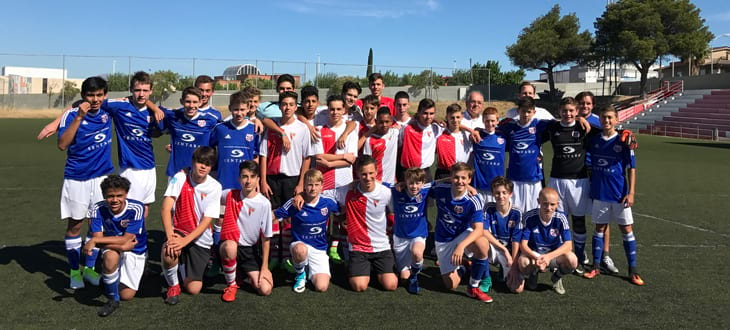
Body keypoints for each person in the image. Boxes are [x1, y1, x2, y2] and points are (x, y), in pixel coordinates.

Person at [57, 76, 114, 290]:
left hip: (102, 178)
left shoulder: (108, 112)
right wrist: (79, 117)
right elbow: (62, 145)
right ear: (83, 96)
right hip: (77, 178)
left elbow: (134, 99)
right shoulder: (71, 115)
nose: (95, 99)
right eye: (91, 95)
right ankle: (74, 272)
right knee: (75, 225)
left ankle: (90, 269)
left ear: (105, 95)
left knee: (97, 225)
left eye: (99, 95)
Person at [583, 106, 644, 286]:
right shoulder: (594, 141)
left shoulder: (624, 141)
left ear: (617, 120)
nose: (606, 121)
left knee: (626, 230)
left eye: (610, 118)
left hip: (620, 195)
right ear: (599, 119)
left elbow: (631, 169)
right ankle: (595, 266)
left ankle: (633, 271)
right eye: (603, 117)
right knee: (599, 229)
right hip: (600, 193)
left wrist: (631, 192)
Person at [259, 91, 316, 268]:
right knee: (274, 216)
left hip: (292, 179)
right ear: (279, 106)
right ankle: (275, 255)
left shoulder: (302, 128)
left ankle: (287, 256)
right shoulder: (272, 127)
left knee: (290, 218)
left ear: (296, 106)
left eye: (291, 104)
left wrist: (301, 183)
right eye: (284, 104)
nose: (287, 108)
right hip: (273, 178)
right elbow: (263, 155)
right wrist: (263, 181)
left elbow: (307, 157)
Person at [207, 90, 260, 277]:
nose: (239, 113)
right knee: (220, 221)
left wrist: (256, 183)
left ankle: (241, 259)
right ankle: (216, 258)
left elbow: (255, 158)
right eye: (235, 109)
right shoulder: (220, 129)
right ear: (230, 109)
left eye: (242, 109)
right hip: (223, 185)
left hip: (243, 187)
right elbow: (208, 148)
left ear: (249, 109)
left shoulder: (253, 129)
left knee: (243, 223)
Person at [160, 147, 222, 305]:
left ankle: (182, 265)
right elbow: (166, 208)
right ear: (193, 162)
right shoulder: (180, 177)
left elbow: (207, 221)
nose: (203, 166)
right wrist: (170, 237)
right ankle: (173, 286)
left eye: (207, 164)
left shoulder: (215, 186)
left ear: (211, 167)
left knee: (194, 289)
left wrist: (185, 242)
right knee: (169, 250)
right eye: (200, 162)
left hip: (200, 238)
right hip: (179, 232)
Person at [84, 175, 147, 317]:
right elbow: (99, 239)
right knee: (111, 257)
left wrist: (95, 241)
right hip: (116, 247)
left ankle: (104, 279)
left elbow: (127, 238)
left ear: (126, 194)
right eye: (110, 196)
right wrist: (121, 247)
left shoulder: (136, 207)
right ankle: (113, 300)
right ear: (104, 195)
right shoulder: (97, 209)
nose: (114, 200)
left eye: (119, 195)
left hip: (135, 250)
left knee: (127, 295)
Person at [430, 162, 493, 302]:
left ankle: (473, 287)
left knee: (483, 245)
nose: (460, 181)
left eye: (464, 178)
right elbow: (423, 186)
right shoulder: (441, 188)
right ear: (450, 178)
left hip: (462, 234)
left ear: (469, 179)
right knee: (451, 285)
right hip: (443, 238)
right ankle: (464, 266)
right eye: (456, 177)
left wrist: (461, 246)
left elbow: (478, 229)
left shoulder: (474, 199)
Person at [274, 169, 339, 293]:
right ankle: (300, 274)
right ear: (304, 186)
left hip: (319, 250)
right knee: (300, 250)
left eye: (316, 185)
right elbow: (274, 215)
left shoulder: (328, 203)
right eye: (309, 185)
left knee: (322, 287)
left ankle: (309, 267)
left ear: (321, 186)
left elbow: (342, 212)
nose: (313, 188)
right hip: (299, 246)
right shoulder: (295, 203)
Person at [338, 155, 397, 292]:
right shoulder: (347, 191)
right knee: (359, 286)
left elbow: (395, 212)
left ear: (376, 172)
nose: (368, 177)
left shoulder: (386, 193)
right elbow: (320, 193)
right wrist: (301, 195)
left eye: (371, 173)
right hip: (359, 248)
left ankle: (372, 270)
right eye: (364, 174)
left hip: (382, 247)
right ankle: (355, 266)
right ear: (357, 174)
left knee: (391, 285)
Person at [219, 161, 274, 300]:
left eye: (252, 176)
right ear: (239, 179)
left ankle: (241, 272)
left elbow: (266, 238)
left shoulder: (264, 203)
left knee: (265, 289)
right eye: (244, 176)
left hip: (250, 250)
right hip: (232, 246)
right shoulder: (230, 194)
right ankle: (231, 284)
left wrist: (265, 267)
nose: (248, 181)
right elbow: (211, 195)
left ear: (258, 179)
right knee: (230, 247)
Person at [516, 187, 577, 295]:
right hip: (534, 255)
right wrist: (537, 258)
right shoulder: (529, 217)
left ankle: (557, 276)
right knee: (523, 263)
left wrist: (548, 257)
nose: (548, 208)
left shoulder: (561, 218)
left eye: (552, 204)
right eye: (545, 204)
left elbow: (568, 245)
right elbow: (523, 245)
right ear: (538, 202)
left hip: (553, 256)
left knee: (572, 260)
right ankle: (533, 272)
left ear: (557, 204)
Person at [499, 97, 552, 214]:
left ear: (534, 112)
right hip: (514, 178)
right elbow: (491, 129)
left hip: (533, 178)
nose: (526, 114)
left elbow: (563, 123)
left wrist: (579, 119)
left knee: (534, 212)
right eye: (523, 111)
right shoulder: (509, 127)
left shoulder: (539, 125)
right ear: (518, 111)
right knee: (514, 212)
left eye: (529, 111)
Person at [156, 87, 219, 179]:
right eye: (188, 101)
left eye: (195, 102)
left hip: (198, 175)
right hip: (176, 173)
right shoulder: (173, 116)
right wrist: (129, 99)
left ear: (200, 102)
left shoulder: (211, 120)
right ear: (181, 101)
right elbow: (155, 108)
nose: (191, 105)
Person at [389, 168, 431, 294]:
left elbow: (442, 181)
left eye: (418, 183)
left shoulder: (425, 190)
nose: (414, 186)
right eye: (411, 183)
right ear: (405, 182)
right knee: (403, 277)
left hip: (418, 235)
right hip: (400, 237)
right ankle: (405, 270)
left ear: (423, 183)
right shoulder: (396, 190)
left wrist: (469, 186)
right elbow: (379, 183)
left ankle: (414, 276)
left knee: (417, 253)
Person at [483, 176, 521, 291]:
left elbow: (516, 240)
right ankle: (485, 276)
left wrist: (514, 264)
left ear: (510, 194)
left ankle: (503, 269)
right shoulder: (489, 207)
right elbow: (484, 231)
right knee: (479, 242)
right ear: (493, 193)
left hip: (509, 253)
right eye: (497, 193)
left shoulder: (516, 212)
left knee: (516, 289)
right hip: (495, 248)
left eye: (504, 192)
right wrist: (503, 249)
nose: (501, 196)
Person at [398, 98, 444, 182]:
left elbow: (455, 126)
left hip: (425, 172)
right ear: (418, 112)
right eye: (425, 113)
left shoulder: (436, 128)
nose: (428, 117)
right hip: (407, 172)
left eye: (431, 114)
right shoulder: (407, 128)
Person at [470, 107, 507, 203]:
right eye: (487, 121)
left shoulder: (503, 136)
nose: (490, 124)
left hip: (497, 187)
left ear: (497, 120)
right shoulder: (477, 135)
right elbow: (458, 126)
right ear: (483, 120)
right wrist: (473, 130)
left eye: (492, 121)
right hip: (478, 185)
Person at [362, 107, 400, 186]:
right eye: (381, 122)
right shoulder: (370, 140)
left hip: (392, 182)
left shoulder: (395, 132)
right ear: (376, 122)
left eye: (387, 122)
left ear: (391, 122)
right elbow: (367, 163)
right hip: (376, 182)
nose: (384, 125)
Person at [435, 103, 472, 180]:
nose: (455, 120)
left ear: (462, 117)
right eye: (452, 117)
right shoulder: (439, 131)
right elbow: (418, 117)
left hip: (462, 173)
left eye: (458, 117)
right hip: (444, 173)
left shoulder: (468, 135)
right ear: (446, 117)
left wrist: (471, 130)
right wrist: (435, 120)